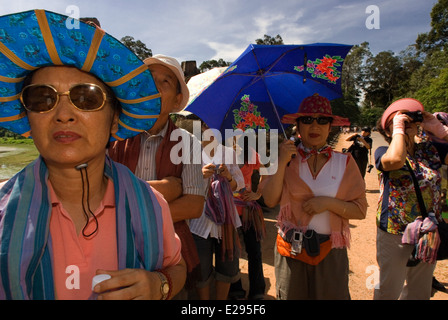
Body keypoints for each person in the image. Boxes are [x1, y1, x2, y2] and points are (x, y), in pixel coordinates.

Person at [0, 10, 186, 300]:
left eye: (86, 98)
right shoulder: (3, 214)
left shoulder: (151, 205)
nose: (63, 115)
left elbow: (176, 266)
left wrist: (159, 285)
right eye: (42, 98)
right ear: (28, 115)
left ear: (114, 120)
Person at [108, 54, 206, 294]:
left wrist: (130, 210)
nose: (154, 87)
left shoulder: (188, 142)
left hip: (169, 257)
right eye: (149, 80)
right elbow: (101, 194)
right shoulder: (114, 137)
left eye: (165, 82)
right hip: (116, 252)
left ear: (177, 101)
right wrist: (165, 189)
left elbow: (193, 206)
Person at [261, 94, 367, 300]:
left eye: (322, 120)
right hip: (290, 249)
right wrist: (282, 162)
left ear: (331, 126)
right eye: (308, 120)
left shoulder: (344, 162)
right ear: (298, 126)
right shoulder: (285, 159)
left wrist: (327, 203)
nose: (315, 125)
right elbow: (269, 200)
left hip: (331, 251)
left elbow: (360, 210)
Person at [374, 98, 448, 300]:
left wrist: (441, 131)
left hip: (428, 229)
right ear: (388, 131)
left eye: (410, 121)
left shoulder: (430, 150)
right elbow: (396, 160)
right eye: (399, 122)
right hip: (394, 230)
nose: (406, 126)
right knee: (388, 287)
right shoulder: (383, 151)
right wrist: (398, 129)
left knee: (420, 289)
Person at [189, 123, 245, 300]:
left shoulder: (228, 153)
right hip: (199, 221)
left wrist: (228, 176)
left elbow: (240, 184)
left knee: (227, 266)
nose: (209, 129)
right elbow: (182, 183)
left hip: (226, 221)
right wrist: (199, 174)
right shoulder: (191, 152)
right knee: (201, 267)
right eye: (205, 125)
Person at [229, 139, 266, 300]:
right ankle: (235, 289)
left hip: (248, 211)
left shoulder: (251, 154)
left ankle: (257, 290)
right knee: (232, 252)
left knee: (254, 251)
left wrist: (258, 193)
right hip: (229, 211)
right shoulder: (222, 153)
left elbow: (267, 170)